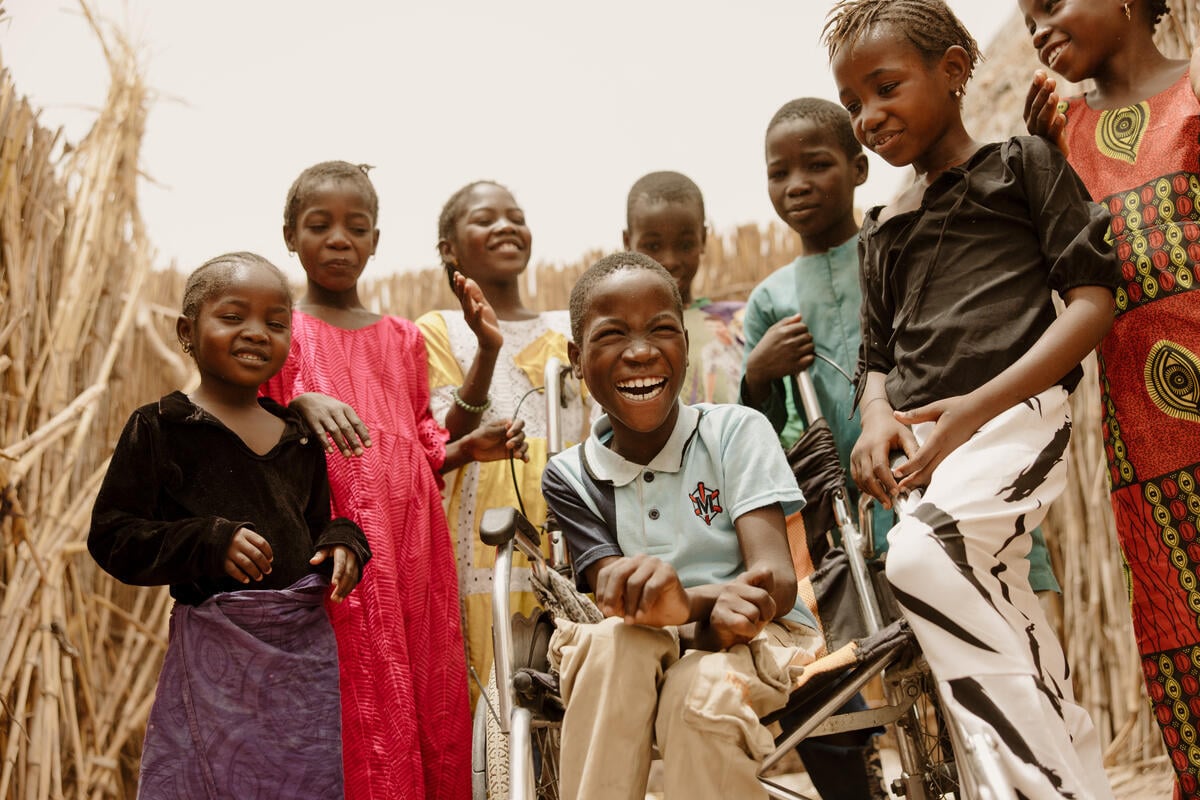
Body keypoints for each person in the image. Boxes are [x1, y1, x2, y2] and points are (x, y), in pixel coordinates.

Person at [824, 0, 1121, 795]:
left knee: (921, 558)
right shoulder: (884, 226)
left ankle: (1033, 787)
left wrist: (975, 409)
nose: (868, 116)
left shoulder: (1019, 165)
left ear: (954, 71)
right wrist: (877, 415)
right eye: (854, 103)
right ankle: (1073, 768)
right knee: (1006, 612)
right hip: (931, 450)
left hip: (1015, 422)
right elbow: (875, 358)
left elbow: (1091, 304)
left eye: (885, 87)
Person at [263, 161, 526, 800]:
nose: (338, 239)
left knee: (430, 698)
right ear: (290, 235)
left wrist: (482, 373)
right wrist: (299, 406)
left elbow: (422, 445)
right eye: (319, 225)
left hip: (417, 548)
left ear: (376, 240)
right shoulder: (280, 335)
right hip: (343, 548)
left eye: (356, 227)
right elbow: (255, 432)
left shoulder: (403, 339)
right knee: (361, 702)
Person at [88, 252, 373, 799]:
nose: (255, 333)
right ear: (187, 331)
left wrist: (344, 543)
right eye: (232, 316)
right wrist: (206, 541)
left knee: (304, 783)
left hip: (300, 660)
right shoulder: (162, 427)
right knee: (211, 780)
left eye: (274, 322)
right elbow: (113, 536)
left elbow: (318, 523)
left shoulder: (299, 435)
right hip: (217, 654)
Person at [541, 252, 824, 800]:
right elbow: (614, 602)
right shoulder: (569, 475)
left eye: (661, 330)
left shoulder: (737, 432)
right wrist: (679, 611)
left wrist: (684, 605)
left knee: (700, 697)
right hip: (634, 644)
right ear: (576, 358)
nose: (641, 351)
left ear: (686, 348)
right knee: (614, 645)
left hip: (750, 638)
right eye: (613, 334)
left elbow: (775, 581)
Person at [1020, 2, 1200, 794]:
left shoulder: (1197, 92)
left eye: (1051, 3)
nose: (1037, 29)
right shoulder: (1058, 133)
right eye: (1026, 18)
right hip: (1145, 447)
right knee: (1184, 642)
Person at [415, 180, 589, 706]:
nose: (506, 226)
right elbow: (443, 439)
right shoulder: (437, 330)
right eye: (485, 219)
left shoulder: (568, 328)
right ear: (449, 248)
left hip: (565, 528)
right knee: (488, 699)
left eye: (515, 215)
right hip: (477, 536)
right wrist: (486, 349)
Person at [623, 170, 744, 405]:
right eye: (653, 245)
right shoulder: (616, 334)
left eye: (685, 244)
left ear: (704, 238)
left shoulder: (738, 323)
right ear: (628, 242)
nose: (669, 260)